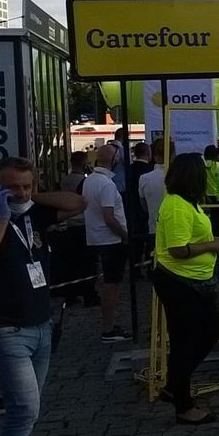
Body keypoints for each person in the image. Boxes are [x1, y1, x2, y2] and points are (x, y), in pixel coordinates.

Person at [0, 156, 85, 436]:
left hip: (39, 325)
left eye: (26, 185)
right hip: (3, 329)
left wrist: (30, 198)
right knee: (23, 411)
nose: (20, 192)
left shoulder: (33, 213)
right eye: (12, 187)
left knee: (28, 414)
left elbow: (78, 203)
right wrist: (1, 217)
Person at [152, 154, 219, 424]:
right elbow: (178, 249)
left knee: (201, 334)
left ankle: (176, 388)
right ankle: (181, 400)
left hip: (192, 280)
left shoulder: (186, 203)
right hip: (180, 281)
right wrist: (212, 245)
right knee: (188, 340)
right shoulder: (177, 206)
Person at [83, 144, 132, 342]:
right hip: (111, 240)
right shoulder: (106, 184)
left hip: (97, 238)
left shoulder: (91, 181)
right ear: (114, 160)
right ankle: (108, 329)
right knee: (111, 285)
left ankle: (109, 326)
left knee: (109, 284)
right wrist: (125, 235)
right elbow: (109, 217)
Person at [56, 151, 99, 307]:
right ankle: (89, 294)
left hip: (68, 224)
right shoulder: (85, 182)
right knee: (87, 262)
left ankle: (71, 294)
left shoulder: (64, 180)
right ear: (84, 164)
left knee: (70, 262)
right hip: (82, 223)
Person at [127, 142, 153, 279]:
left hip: (132, 211)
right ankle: (150, 269)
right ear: (148, 153)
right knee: (149, 242)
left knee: (135, 244)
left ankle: (135, 270)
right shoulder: (150, 170)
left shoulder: (128, 170)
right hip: (147, 210)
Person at [139, 138, 169, 239]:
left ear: (154, 156)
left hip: (154, 227)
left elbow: (144, 206)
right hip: (178, 229)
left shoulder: (144, 178)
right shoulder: (180, 176)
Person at [204, 145, 219, 235]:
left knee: (210, 217)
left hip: (207, 195)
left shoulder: (203, 165)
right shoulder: (218, 165)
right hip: (218, 195)